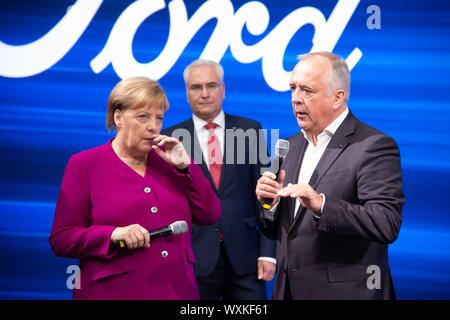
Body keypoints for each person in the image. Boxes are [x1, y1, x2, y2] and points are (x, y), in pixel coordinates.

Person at [49, 77, 221, 300]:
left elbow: (210, 214)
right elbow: (62, 239)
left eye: (159, 118)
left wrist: (185, 167)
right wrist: (112, 234)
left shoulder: (172, 162)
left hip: (177, 290)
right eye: (143, 116)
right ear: (118, 117)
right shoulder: (85, 164)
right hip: (114, 292)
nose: (153, 126)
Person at [255, 52, 405, 300]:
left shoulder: (374, 145)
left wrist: (321, 205)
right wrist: (270, 203)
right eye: (292, 89)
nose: (295, 99)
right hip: (288, 291)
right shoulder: (288, 146)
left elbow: (385, 223)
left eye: (307, 90)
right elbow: (279, 231)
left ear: (338, 97)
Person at [162, 60, 276, 300]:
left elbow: (267, 196)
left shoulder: (250, 130)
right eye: (196, 87)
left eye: (211, 85)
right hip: (194, 257)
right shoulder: (171, 138)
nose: (204, 94)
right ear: (187, 93)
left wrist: (268, 253)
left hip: (246, 256)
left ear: (223, 90)